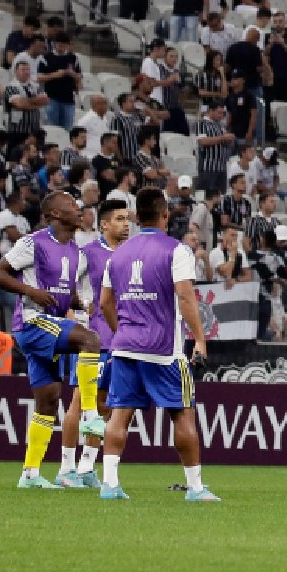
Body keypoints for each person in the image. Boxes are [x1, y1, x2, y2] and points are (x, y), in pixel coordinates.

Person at [97, 187, 218, 501]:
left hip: (124, 347)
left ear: (137, 216)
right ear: (165, 215)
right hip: (164, 350)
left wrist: (121, 330)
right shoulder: (177, 250)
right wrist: (200, 340)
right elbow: (185, 295)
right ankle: (194, 488)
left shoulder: (118, 253)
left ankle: (109, 484)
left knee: (120, 414)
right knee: (182, 415)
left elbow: (105, 302)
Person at [0, 191, 104, 489]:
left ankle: (29, 473)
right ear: (53, 214)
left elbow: (64, 290)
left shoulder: (77, 253)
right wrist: (32, 293)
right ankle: (90, 415)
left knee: (49, 401)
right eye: (70, 206)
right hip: (32, 323)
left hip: (49, 325)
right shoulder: (33, 243)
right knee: (91, 341)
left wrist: (78, 302)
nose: (78, 210)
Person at [55, 199, 129, 488]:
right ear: (104, 224)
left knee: (105, 406)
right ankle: (65, 468)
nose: (126, 224)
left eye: (128, 219)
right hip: (92, 340)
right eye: (120, 219)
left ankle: (87, 465)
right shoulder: (87, 254)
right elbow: (65, 289)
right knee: (78, 401)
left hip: (120, 340)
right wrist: (73, 321)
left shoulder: (130, 255)